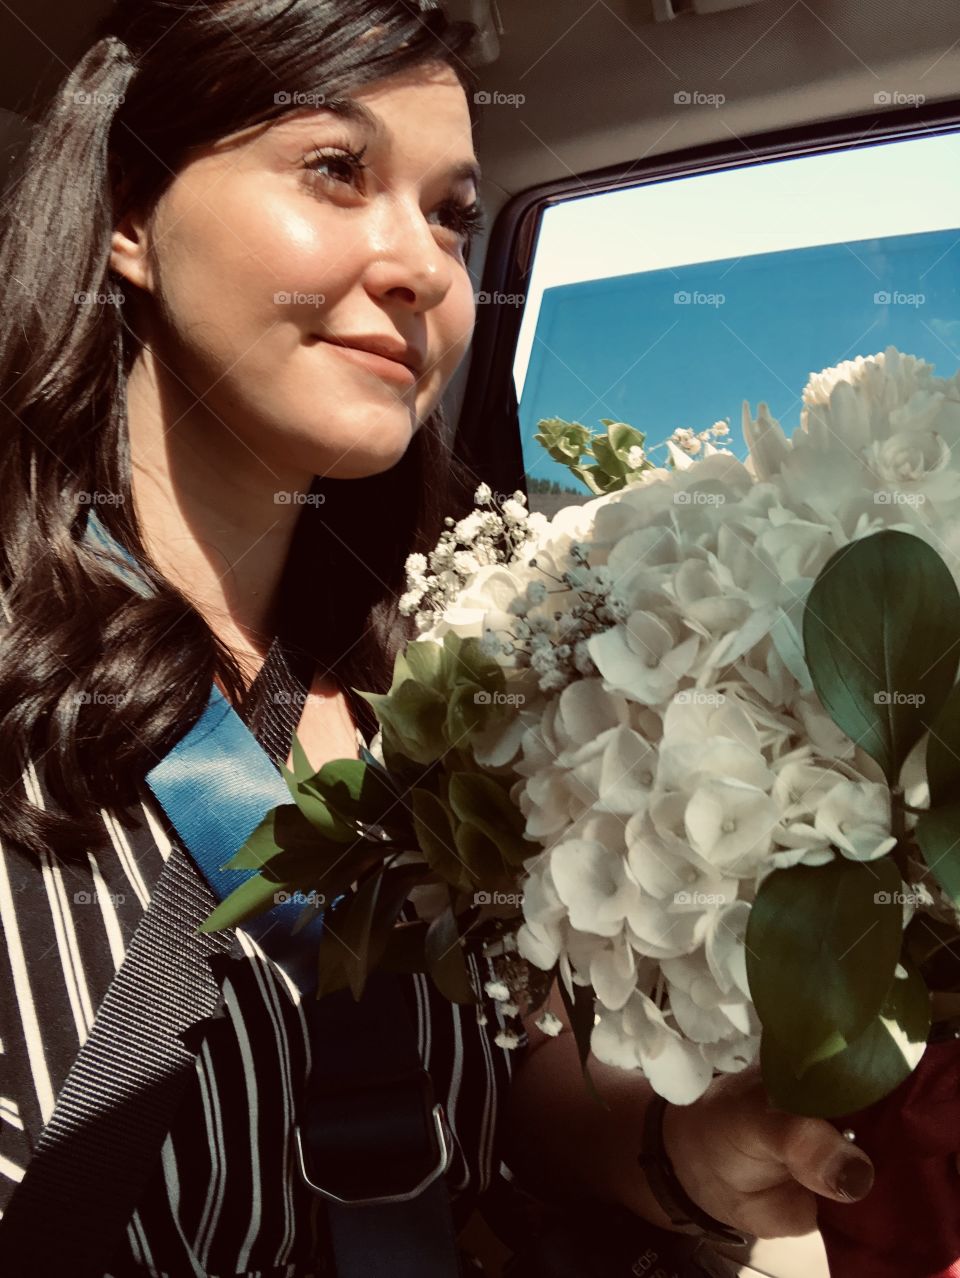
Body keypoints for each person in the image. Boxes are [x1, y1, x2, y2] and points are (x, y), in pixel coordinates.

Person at [0, 1, 877, 1273]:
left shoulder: (441, 689)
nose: (421, 268)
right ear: (131, 215)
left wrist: (692, 1162)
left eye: (453, 214)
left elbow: (486, 1104)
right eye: (336, 171)